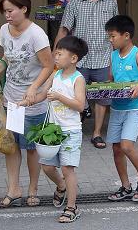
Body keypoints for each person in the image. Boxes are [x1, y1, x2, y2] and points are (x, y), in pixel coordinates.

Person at [0, 0, 54, 208]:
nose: (7, 15)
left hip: (33, 102)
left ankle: (33, 189)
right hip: (11, 100)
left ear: (24, 9)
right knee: (12, 146)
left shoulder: (36, 35)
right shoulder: (4, 30)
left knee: (32, 148)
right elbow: (7, 56)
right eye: (4, 11)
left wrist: (35, 87)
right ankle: (13, 189)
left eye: (11, 10)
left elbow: (49, 65)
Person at [55, 0, 118, 149]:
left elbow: (115, 30)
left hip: (104, 56)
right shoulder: (74, 2)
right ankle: (75, 129)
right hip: (79, 58)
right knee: (75, 96)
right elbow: (64, 29)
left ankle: (97, 133)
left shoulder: (110, 0)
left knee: (102, 96)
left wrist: (118, 56)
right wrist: (55, 53)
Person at [104, 15, 138, 202]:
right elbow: (111, 80)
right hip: (117, 108)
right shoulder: (112, 55)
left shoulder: (137, 54)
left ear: (126, 35)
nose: (110, 40)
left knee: (127, 146)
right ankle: (125, 186)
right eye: (109, 37)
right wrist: (102, 88)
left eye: (113, 36)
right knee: (117, 149)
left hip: (135, 108)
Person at [35, 35, 88, 223]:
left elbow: (80, 105)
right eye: (55, 53)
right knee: (47, 166)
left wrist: (58, 97)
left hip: (71, 131)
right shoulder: (55, 74)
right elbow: (43, 94)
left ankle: (72, 208)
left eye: (59, 54)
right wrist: (27, 101)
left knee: (68, 169)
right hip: (53, 130)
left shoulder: (78, 79)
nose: (55, 57)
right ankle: (61, 187)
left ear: (73, 58)